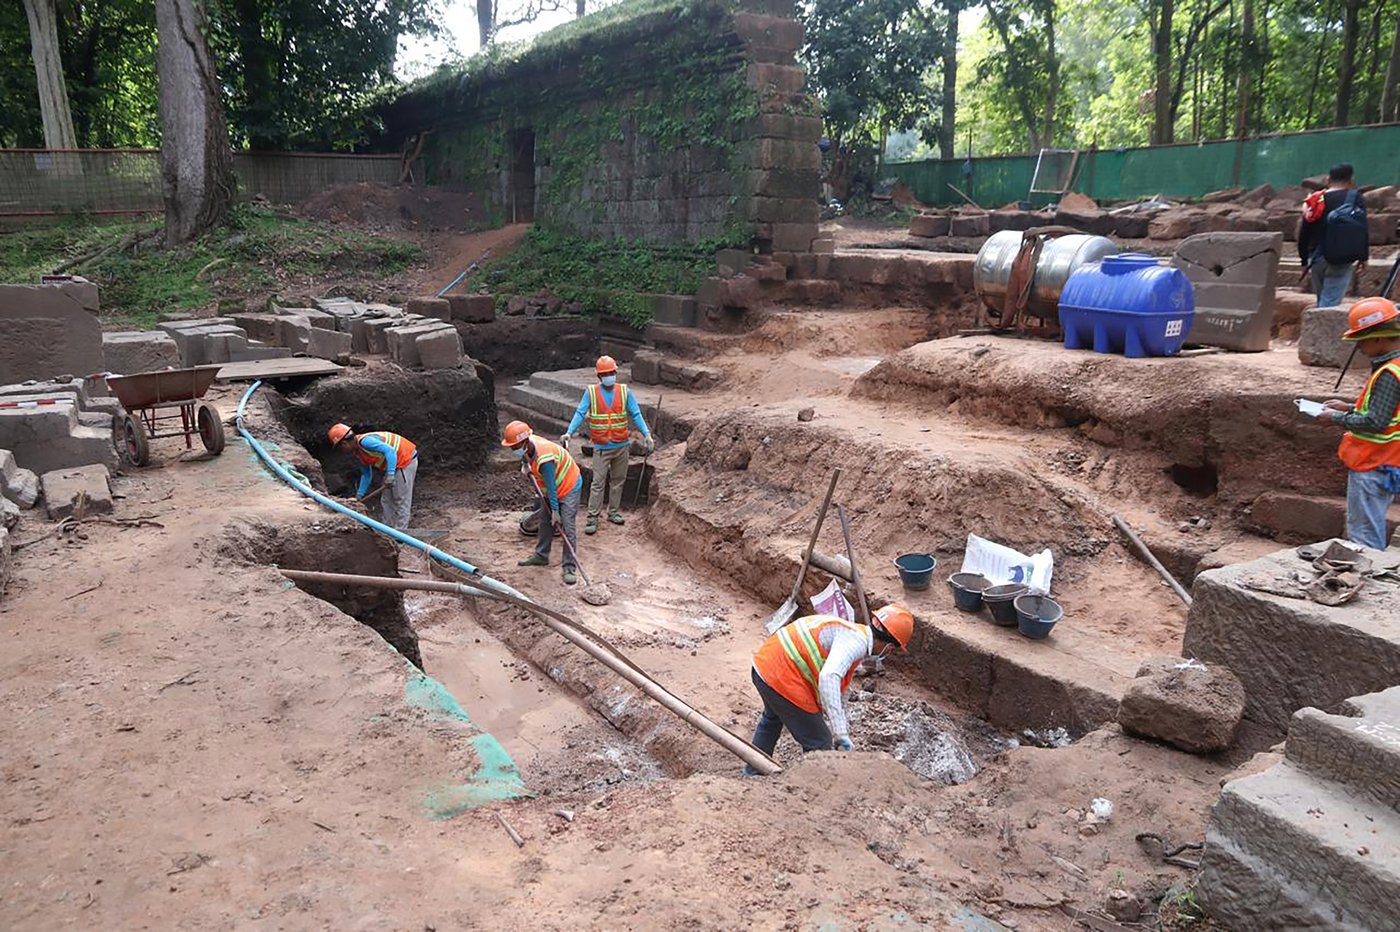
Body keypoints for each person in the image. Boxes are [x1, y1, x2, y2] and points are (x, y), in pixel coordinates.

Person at [744, 604, 915, 775]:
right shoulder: (856, 643)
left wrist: (841, 727)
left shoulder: (851, 632)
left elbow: (838, 690)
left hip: (764, 666)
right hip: (782, 677)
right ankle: (811, 792)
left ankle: (752, 773)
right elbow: (829, 677)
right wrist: (839, 733)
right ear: (890, 647)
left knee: (772, 719)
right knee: (820, 742)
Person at [1314, 297, 1400, 550]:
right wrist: (1349, 408)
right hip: (1386, 463)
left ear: (1378, 338)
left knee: (1364, 536)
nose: (1360, 347)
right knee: (1370, 525)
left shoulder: (1389, 374)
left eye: (1362, 340)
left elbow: (1375, 421)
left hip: (1372, 464)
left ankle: (1369, 581)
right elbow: (1387, 410)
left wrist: (1336, 418)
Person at [561, 355, 654, 535]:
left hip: (621, 445)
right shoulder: (591, 392)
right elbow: (580, 413)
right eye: (605, 373)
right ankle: (592, 518)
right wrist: (569, 432)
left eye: (611, 373)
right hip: (602, 447)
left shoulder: (625, 391)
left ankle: (613, 512)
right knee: (598, 483)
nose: (609, 376)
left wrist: (647, 435)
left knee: (618, 481)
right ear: (599, 376)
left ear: (615, 373)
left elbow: (636, 414)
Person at [503, 419, 583, 585]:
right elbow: (527, 457)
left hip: (569, 485)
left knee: (567, 525)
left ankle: (569, 566)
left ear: (524, 443)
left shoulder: (544, 459)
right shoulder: (528, 444)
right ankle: (541, 555)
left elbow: (551, 487)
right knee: (545, 521)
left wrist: (555, 510)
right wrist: (525, 463)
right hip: (552, 485)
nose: (512, 450)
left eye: (514, 447)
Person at [1299, 163, 1369, 308]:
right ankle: (1320, 330)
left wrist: (1304, 260)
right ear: (1351, 179)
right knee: (1329, 304)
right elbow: (1362, 228)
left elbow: (1304, 231)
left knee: (1322, 302)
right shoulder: (1355, 197)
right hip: (1342, 257)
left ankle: (1317, 328)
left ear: (1328, 179)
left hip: (1317, 257)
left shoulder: (1316, 199)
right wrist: (1363, 256)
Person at [328, 423, 418, 530]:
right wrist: (359, 496)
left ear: (344, 443)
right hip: (394, 465)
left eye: (340, 448)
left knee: (401, 499)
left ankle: (401, 534)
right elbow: (366, 475)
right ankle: (388, 530)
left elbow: (389, 450)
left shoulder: (365, 442)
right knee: (386, 500)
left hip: (404, 460)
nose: (342, 451)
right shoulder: (358, 453)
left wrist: (390, 474)